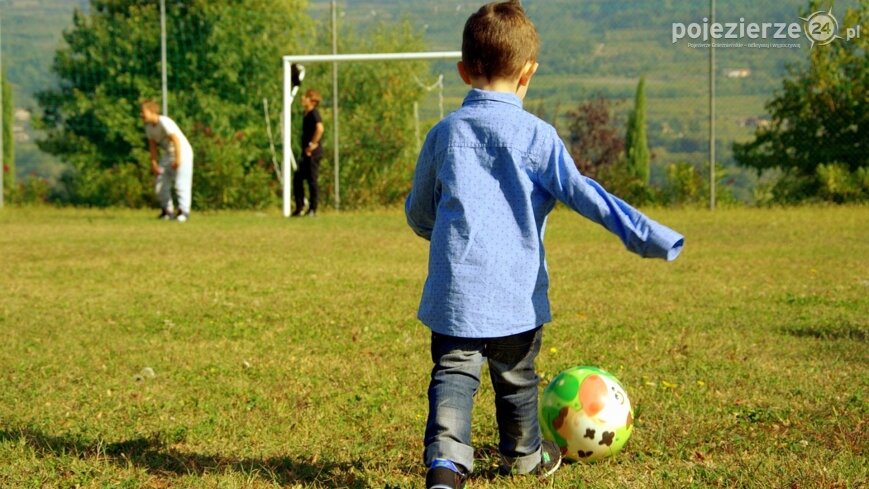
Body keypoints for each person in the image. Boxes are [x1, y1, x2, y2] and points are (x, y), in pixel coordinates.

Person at [404, 2, 685, 488]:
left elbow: (419, 210)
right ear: (528, 73)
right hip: (517, 297)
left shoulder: (444, 134)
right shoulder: (539, 136)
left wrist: (439, 234)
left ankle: (446, 467)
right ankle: (525, 457)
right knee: (517, 380)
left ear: (463, 70)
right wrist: (648, 236)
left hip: (455, 297)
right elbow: (586, 195)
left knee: (453, 377)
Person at [140, 100, 194, 222]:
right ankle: (167, 211)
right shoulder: (149, 127)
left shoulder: (164, 122)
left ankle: (183, 211)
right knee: (161, 182)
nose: (141, 115)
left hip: (182, 152)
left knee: (181, 183)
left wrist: (178, 159)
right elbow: (152, 146)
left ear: (152, 111)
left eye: (143, 112)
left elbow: (176, 140)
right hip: (168, 155)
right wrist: (153, 163)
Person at [292, 89, 325, 217]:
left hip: (313, 153)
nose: (302, 98)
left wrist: (312, 144)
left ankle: (313, 209)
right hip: (305, 153)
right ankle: (299, 207)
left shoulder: (314, 113)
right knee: (298, 178)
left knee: (312, 180)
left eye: (305, 97)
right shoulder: (305, 114)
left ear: (312, 101)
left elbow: (320, 128)